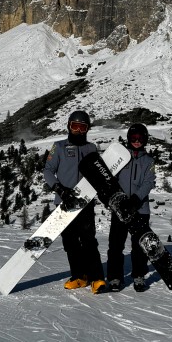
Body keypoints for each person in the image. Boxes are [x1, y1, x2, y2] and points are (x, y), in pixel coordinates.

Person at [43, 110, 107, 294]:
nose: (78, 131)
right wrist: (59, 189)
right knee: (70, 242)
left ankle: (97, 278)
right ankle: (79, 276)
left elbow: (98, 173)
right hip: (64, 201)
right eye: (75, 126)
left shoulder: (91, 148)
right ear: (69, 126)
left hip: (85, 202)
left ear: (87, 129)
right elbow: (48, 170)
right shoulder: (59, 147)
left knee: (88, 240)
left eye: (82, 127)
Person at [107, 123, 155, 292]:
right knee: (115, 245)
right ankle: (114, 277)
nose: (136, 141)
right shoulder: (121, 158)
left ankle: (139, 275)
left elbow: (149, 182)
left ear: (145, 140)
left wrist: (135, 199)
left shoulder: (149, 161)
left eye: (140, 138)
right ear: (128, 139)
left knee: (139, 245)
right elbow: (110, 179)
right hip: (120, 208)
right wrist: (115, 199)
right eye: (133, 138)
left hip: (140, 209)